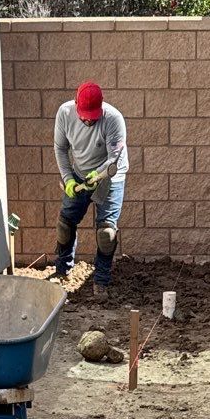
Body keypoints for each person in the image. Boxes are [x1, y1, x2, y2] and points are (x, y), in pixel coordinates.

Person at [52, 80, 128, 299]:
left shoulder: (113, 119)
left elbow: (113, 158)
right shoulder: (65, 113)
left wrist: (99, 174)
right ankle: (63, 270)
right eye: (84, 115)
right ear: (76, 105)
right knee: (65, 224)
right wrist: (68, 180)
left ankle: (101, 280)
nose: (87, 120)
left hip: (109, 175)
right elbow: (60, 148)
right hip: (80, 173)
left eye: (92, 116)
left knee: (106, 233)